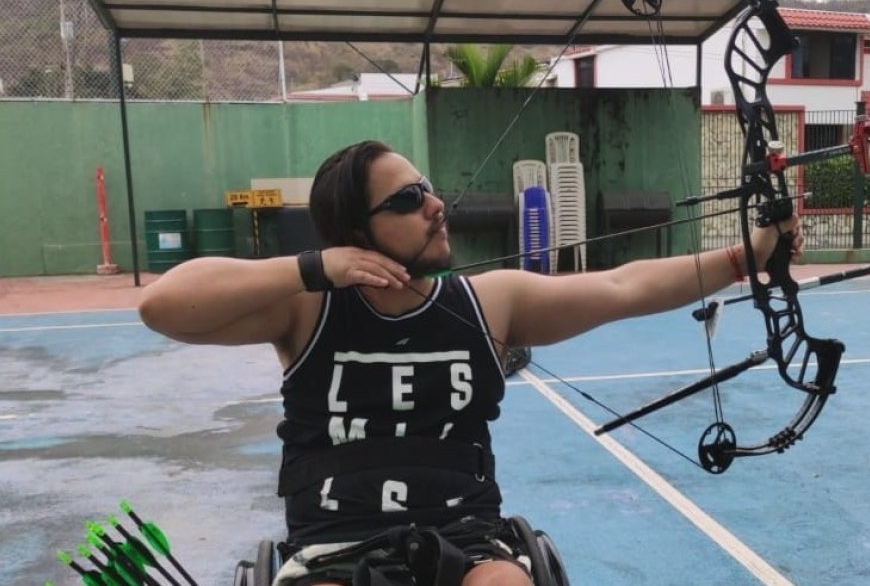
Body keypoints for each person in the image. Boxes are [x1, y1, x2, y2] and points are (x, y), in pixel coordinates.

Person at [138, 140, 803, 586]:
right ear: (353, 230)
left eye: (427, 189)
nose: (434, 205)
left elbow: (622, 288)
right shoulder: (305, 308)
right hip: (332, 547)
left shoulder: (491, 301)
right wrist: (317, 267)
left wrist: (746, 256)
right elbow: (164, 305)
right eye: (405, 200)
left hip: (468, 540)